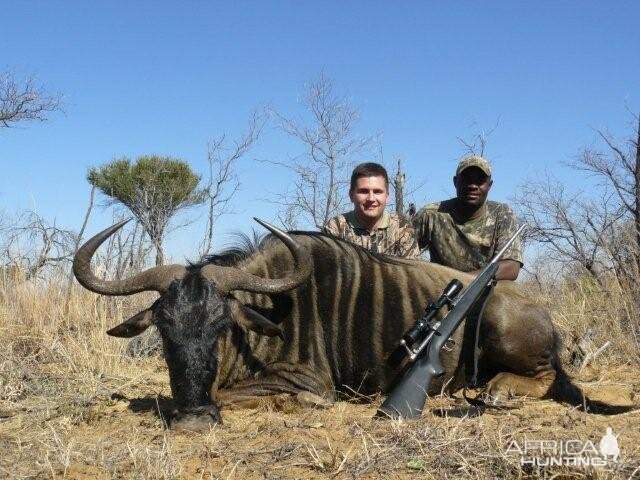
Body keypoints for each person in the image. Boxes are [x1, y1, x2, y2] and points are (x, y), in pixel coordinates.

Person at [412, 156, 522, 280]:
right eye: (466, 179)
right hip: (439, 292)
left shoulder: (503, 214)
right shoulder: (431, 214)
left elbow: (511, 267)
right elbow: (404, 258)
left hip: (487, 291)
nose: (473, 186)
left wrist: (462, 282)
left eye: (480, 180)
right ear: (455, 182)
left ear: (489, 185)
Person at [323, 162, 420, 258]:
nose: (371, 198)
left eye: (377, 192)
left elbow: (411, 270)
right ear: (351, 195)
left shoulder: (402, 227)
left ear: (387, 196)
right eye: (364, 191)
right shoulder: (336, 227)